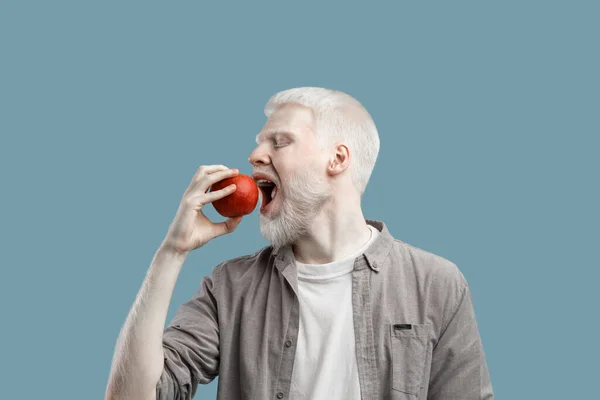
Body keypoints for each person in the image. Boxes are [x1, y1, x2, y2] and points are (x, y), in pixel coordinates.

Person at [105, 87, 494, 400]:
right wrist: (172, 253)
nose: (256, 155)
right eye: (260, 143)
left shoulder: (436, 285)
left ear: (338, 158)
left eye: (280, 141)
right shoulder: (230, 288)